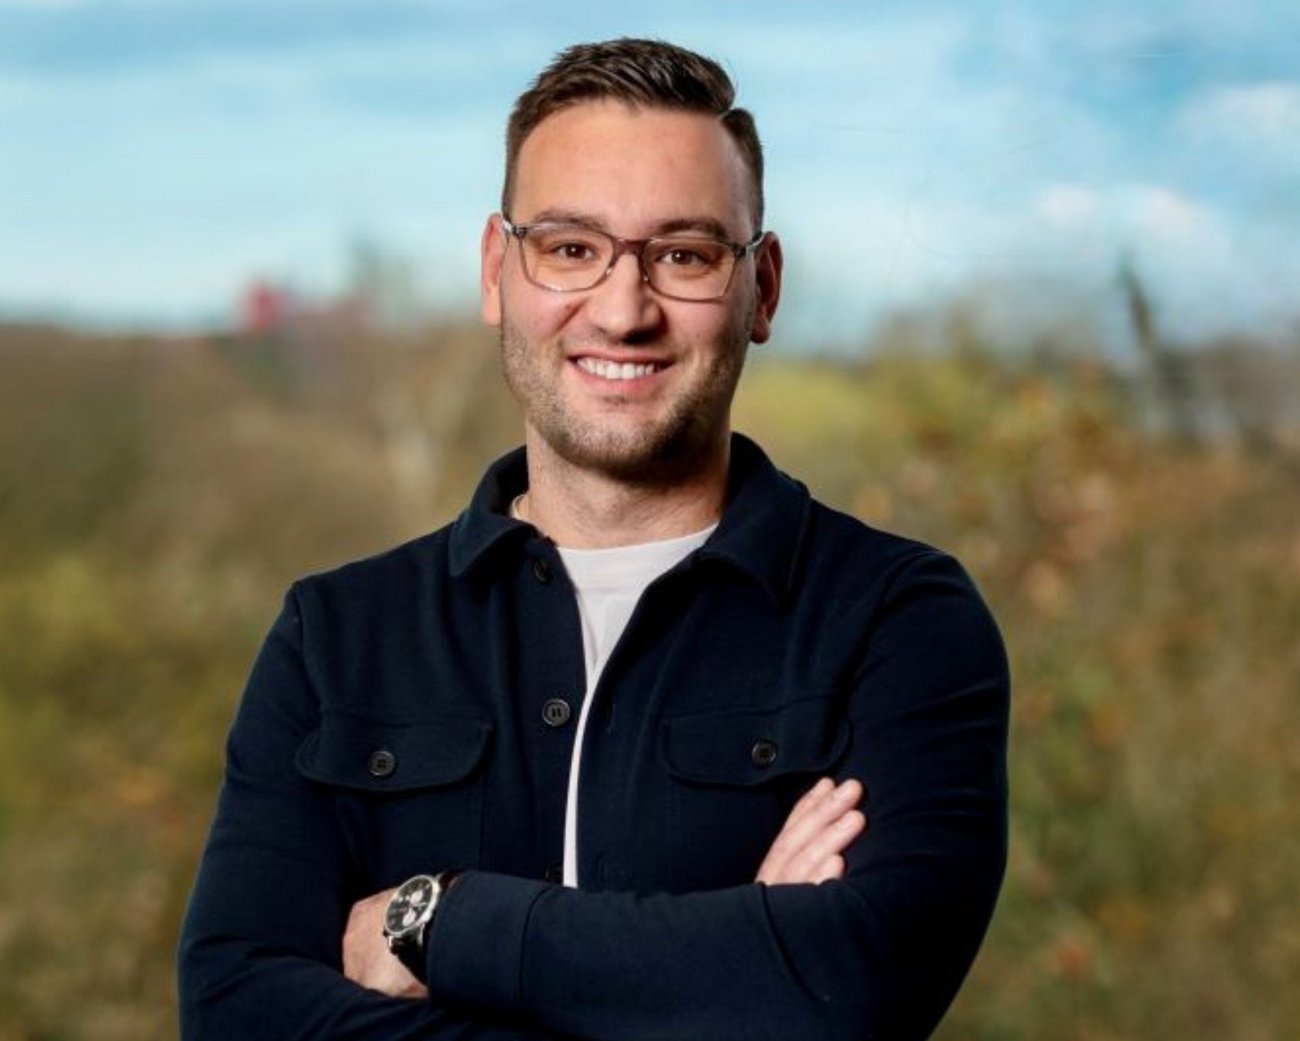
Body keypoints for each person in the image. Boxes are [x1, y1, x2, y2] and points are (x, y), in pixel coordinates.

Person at [178, 38, 1009, 1041]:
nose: (622, 310)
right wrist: (731, 967)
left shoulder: (895, 621)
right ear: (497, 271)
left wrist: (445, 920)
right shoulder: (335, 634)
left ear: (764, 289)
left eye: (685, 255)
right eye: (571, 248)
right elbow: (236, 1012)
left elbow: (854, 987)